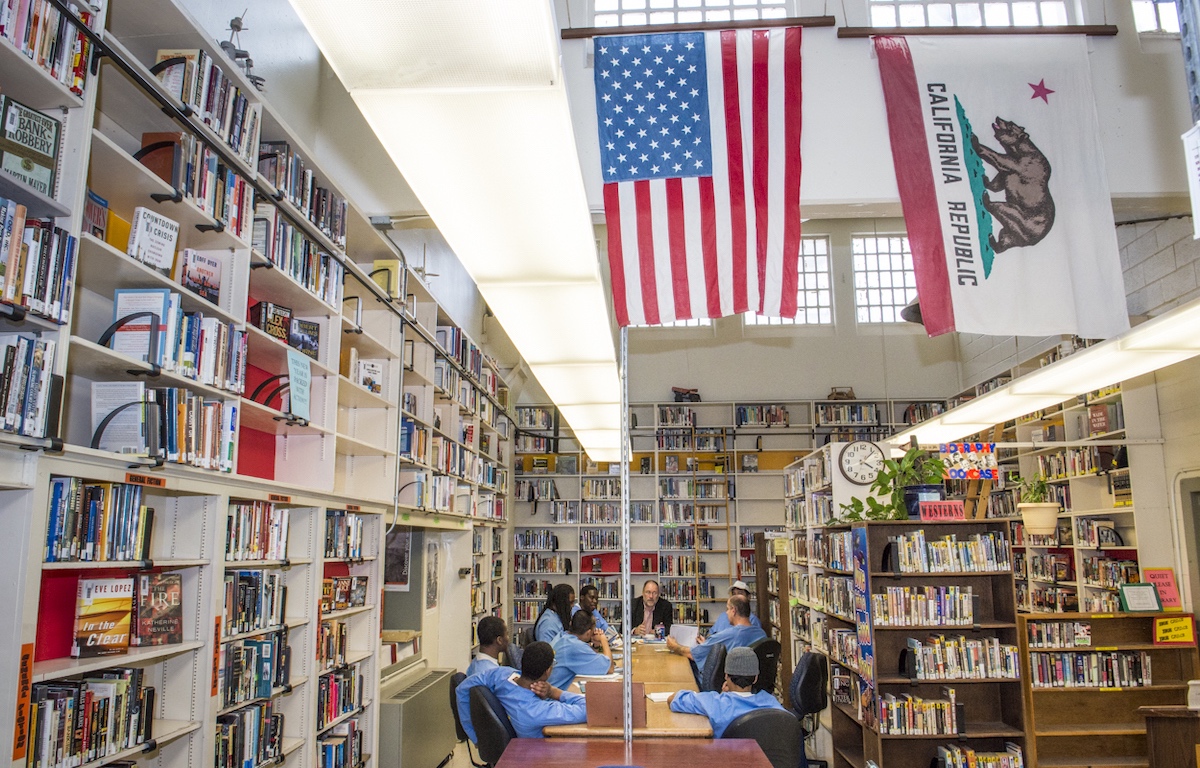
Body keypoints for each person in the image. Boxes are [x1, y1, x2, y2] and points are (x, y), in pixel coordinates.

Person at [455, 641, 587, 740]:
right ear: (548, 671)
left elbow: (462, 688)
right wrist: (554, 692)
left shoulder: (501, 675)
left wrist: (473, 734)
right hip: (539, 756)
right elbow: (589, 709)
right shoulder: (538, 710)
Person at [667, 646, 787, 737]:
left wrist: (721, 696)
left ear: (726, 676)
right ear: (755, 678)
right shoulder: (773, 704)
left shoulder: (714, 702)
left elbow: (673, 699)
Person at [667, 595, 765, 672]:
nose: (726, 613)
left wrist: (675, 646)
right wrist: (708, 644)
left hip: (723, 683)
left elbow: (693, 654)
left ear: (733, 611)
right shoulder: (761, 634)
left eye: (727, 609)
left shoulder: (729, 634)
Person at [549, 609, 613, 688]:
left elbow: (587, 657)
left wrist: (596, 645)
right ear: (588, 633)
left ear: (571, 623)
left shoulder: (563, 637)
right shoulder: (574, 646)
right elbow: (609, 668)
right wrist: (603, 640)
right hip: (553, 696)